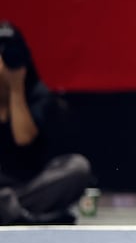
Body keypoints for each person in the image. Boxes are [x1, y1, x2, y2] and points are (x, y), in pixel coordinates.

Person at [0, 21, 93, 225]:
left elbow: (24, 138)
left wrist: (16, 89)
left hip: (30, 186)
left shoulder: (38, 94)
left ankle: (12, 210)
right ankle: (20, 213)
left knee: (77, 168)